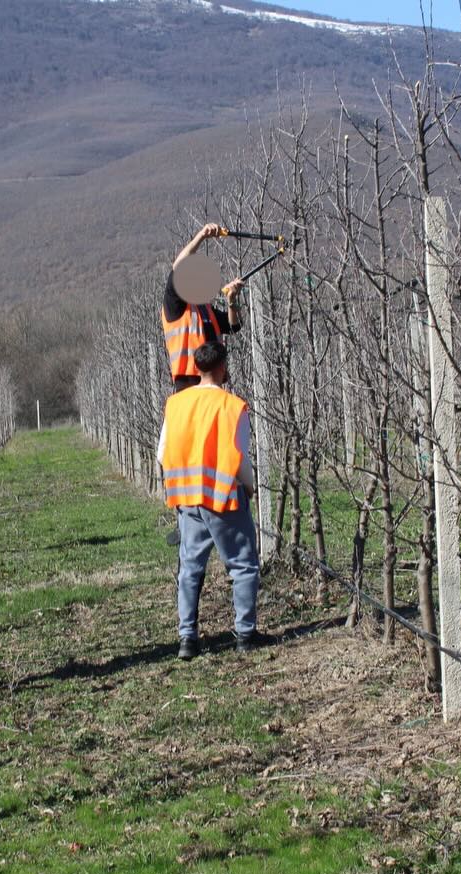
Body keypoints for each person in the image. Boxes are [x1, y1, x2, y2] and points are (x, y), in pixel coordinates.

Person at [157, 341, 262, 660]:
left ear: (197, 367)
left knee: (190, 568)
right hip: (221, 496)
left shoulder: (175, 404)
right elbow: (240, 457)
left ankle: (187, 639)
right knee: (243, 565)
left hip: (186, 496)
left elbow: (162, 454)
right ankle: (245, 634)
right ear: (222, 367)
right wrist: (249, 487)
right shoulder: (233, 406)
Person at [163, 223, 245, 391]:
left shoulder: (205, 308)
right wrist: (201, 237)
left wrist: (231, 300)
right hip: (187, 384)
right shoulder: (175, 305)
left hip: (213, 384)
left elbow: (233, 326)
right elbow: (178, 267)